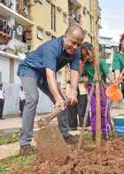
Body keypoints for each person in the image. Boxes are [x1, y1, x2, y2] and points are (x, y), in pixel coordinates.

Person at [17, 24, 84, 155]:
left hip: (44, 75)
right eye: (72, 42)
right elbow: (50, 75)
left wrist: (73, 91)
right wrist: (57, 98)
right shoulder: (52, 47)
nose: (75, 47)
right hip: (29, 69)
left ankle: (65, 134)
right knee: (32, 99)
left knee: (63, 101)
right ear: (65, 36)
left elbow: (75, 72)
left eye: (78, 44)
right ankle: (24, 144)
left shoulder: (76, 52)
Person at [81, 42, 112, 139]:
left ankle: (104, 131)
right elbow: (84, 75)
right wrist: (84, 79)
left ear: (93, 51)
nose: (88, 57)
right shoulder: (85, 65)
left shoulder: (101, 62)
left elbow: (107, 73)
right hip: (91, 88)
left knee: (103, 110)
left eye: (88, 53)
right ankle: (94, 132)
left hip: (101, 88)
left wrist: (113, 81)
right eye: (84, 56)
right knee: (94, 111)